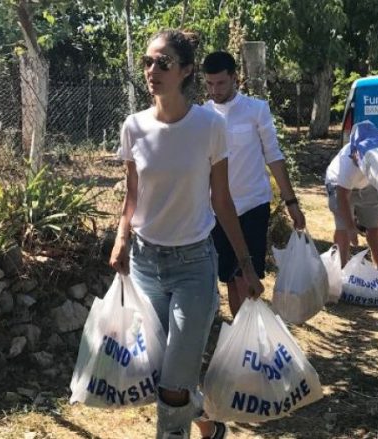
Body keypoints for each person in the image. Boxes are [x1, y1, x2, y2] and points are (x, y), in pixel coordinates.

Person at [109, 30, 264, 439]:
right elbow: (132, 194)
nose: (152, 71)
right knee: (162, 374)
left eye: (163, 63)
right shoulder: (133, 127)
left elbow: (223, 200)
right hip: (145, 264)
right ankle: (210, 427)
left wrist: (246, 266)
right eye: (147, 62)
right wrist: (122, 237)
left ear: (186, 71)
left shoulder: (209, 126)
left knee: (174, 384)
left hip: (195, 266)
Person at [201, 51, 305, 317]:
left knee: (247, 278)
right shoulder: (202, 116)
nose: (215, 90)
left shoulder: (256, 110)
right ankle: (241, 336)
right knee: (230, 278)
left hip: (253, 205)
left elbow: (273, 155)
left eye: (221, 83)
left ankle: (251, 336)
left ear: (235, 78)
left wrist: (291, 202)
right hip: (217, 211)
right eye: (209, 84)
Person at [325, 142, 378, 274]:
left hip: (367, 185)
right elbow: (342, 197)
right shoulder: (349, 163)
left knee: (374, 226)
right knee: (344, 229)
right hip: (338, 184)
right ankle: (341, 271)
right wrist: (351, 227)